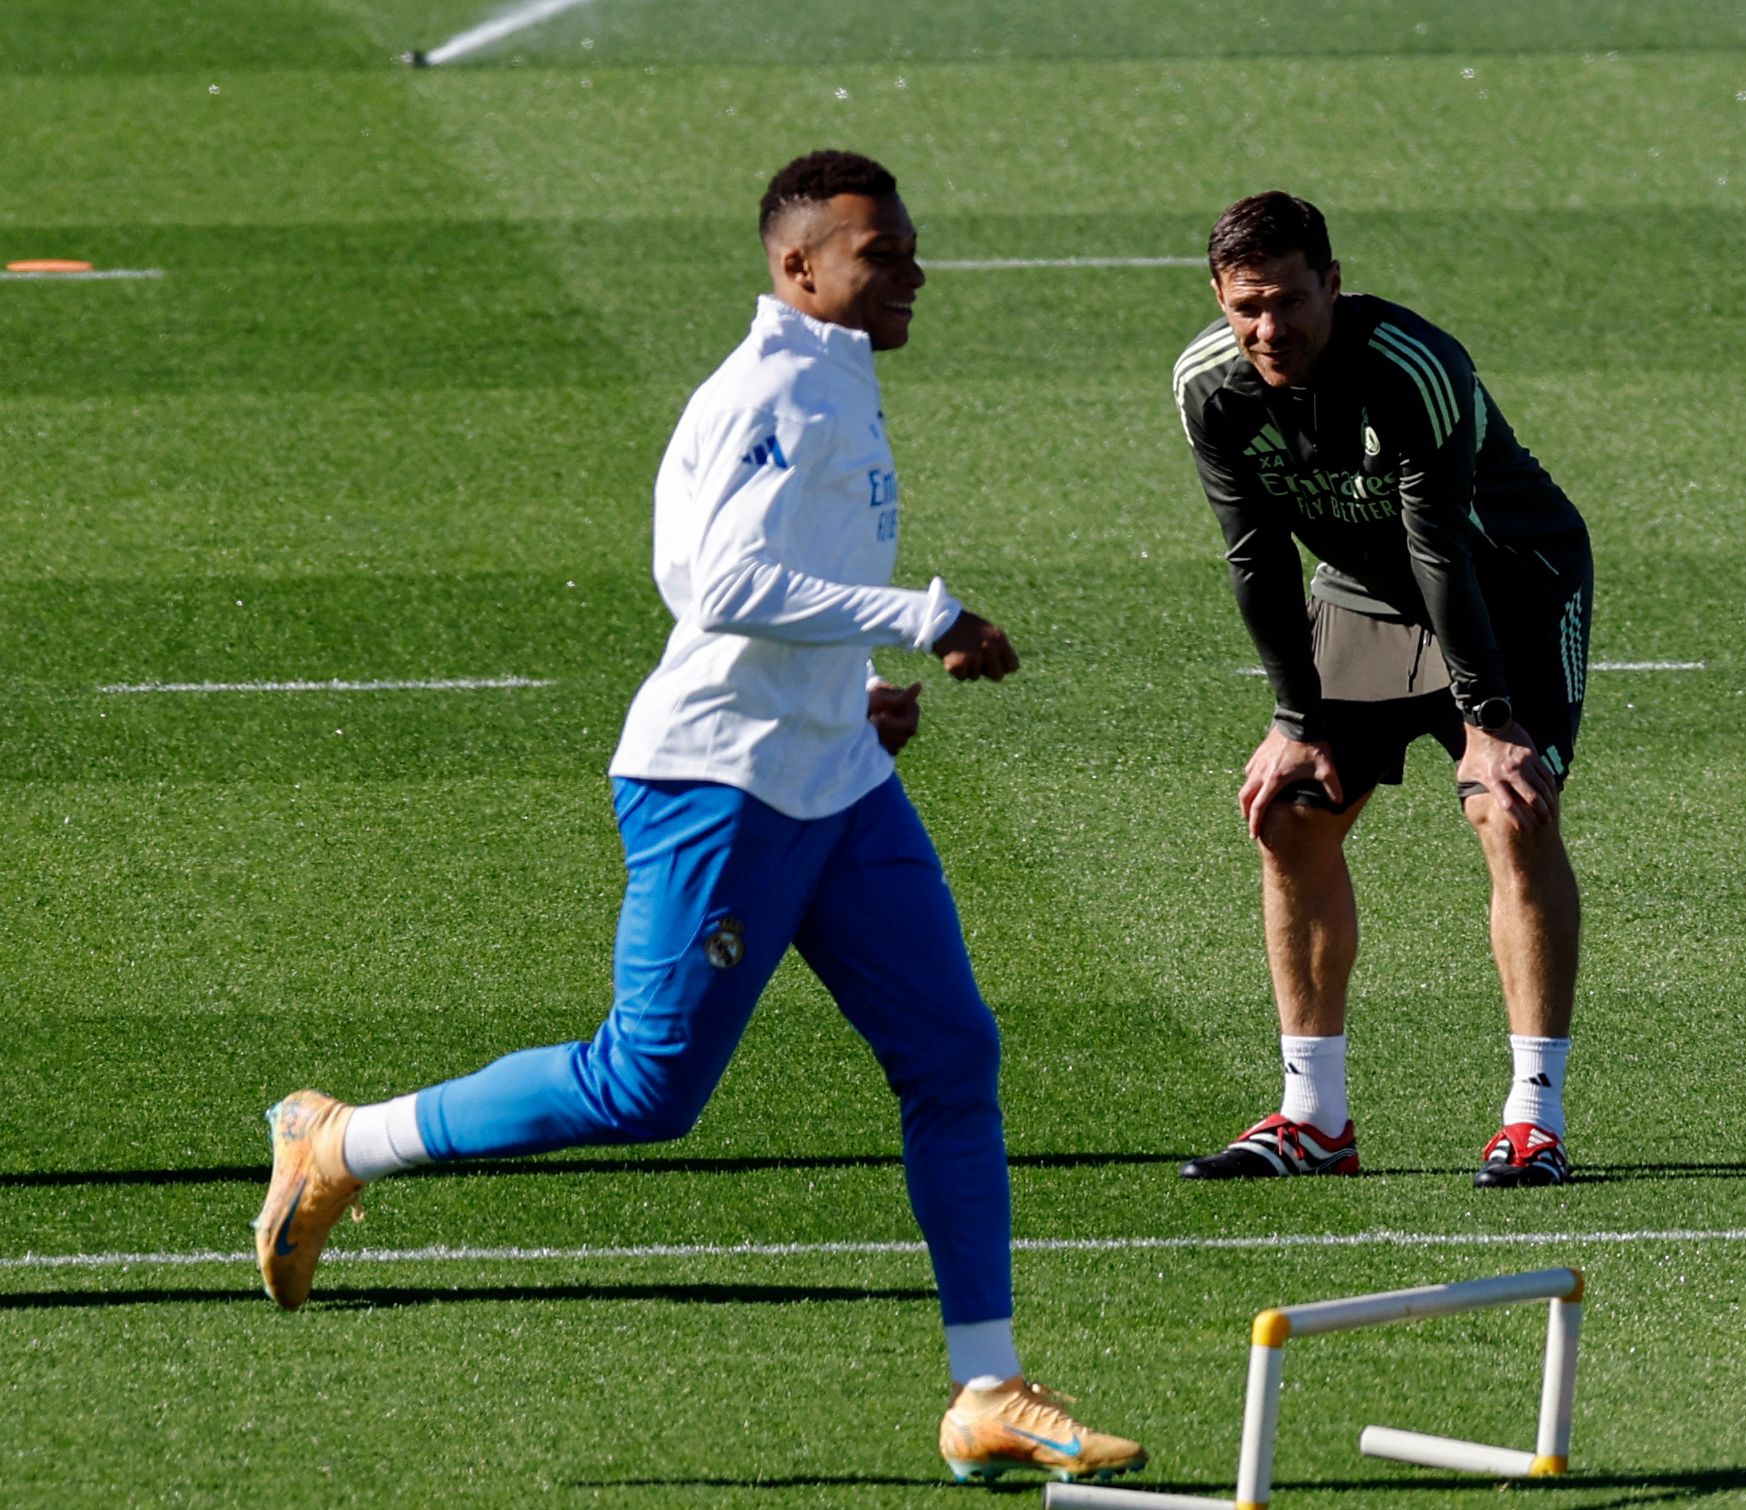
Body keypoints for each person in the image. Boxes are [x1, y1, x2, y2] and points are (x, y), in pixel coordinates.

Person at [252, 149, 1146, 1489]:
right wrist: (925, 616)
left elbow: (769, 580)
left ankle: (987, 1388)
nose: (913, 271)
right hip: (720, 785)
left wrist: (847, 688)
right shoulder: (776, 387)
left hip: (836, 774)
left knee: (952, 1054)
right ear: (799, 266)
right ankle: (339, 1143)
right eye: (882, 253)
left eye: (909, 247)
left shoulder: (830, 375)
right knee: (645, 1090)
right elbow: (716, 581)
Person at [1171, 191, 1593, 1187]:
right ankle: (1313, 1119)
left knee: (1509, 812)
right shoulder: (1208, 387)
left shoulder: (1411, 366)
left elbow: (1438, 543)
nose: (1268, 328)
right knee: (1289, 812)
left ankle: (1534, 1119)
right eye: (1245, 307)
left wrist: (1488, 720)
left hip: (1506, 584)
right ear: (1219, 297)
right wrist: (1294, 720)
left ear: (1331, 283)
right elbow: (1253, 554)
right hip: (1362, 592)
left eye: (1288, 300)